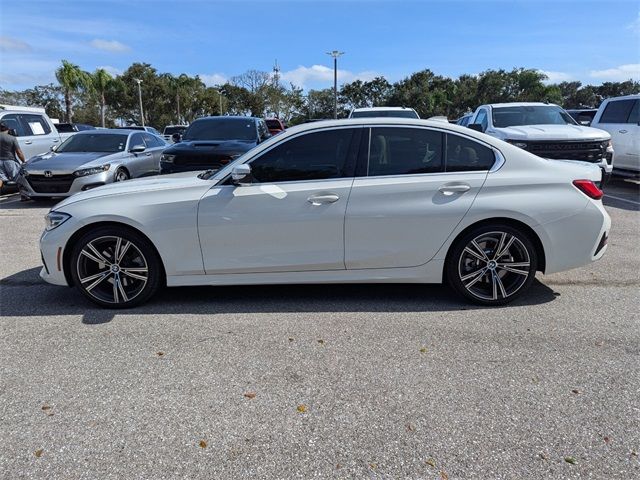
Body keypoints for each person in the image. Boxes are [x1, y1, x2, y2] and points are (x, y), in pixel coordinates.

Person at [0, 121, 26, 192]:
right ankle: (23, 195)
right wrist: (23, 161)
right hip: (10, 161)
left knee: (1, 179)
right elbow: (19, 152)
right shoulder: (12, 138)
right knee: (19, 178)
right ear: (7, 129)